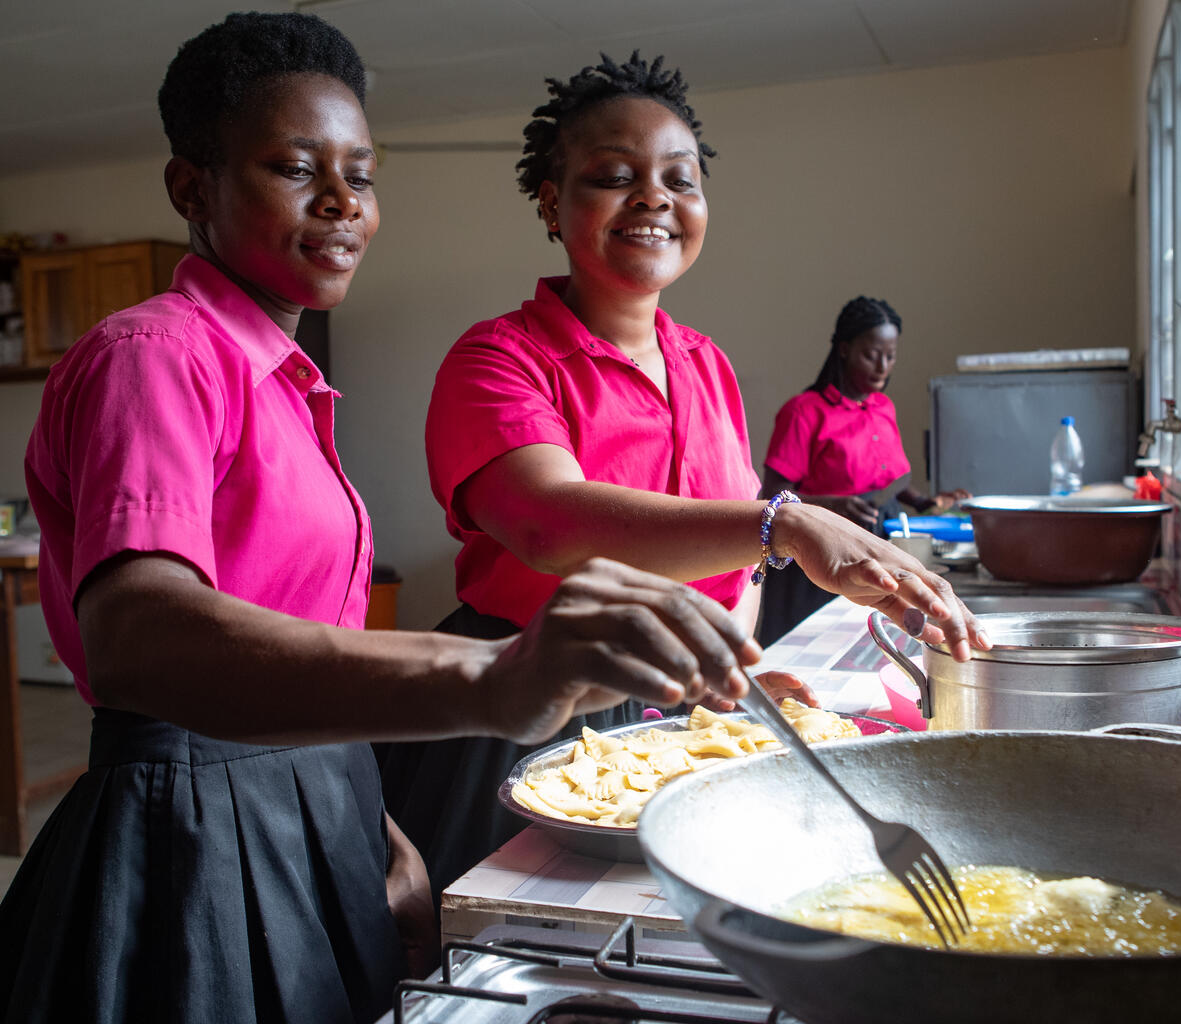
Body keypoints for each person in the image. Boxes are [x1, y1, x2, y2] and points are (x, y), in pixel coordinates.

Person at [0, 16, 767, 1024]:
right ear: (193, 187)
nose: (340, 202)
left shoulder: (287, 384)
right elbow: (139, 632)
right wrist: (493, 678)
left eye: (360, 176)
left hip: (311, 797)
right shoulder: (156, 354)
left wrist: (371, 827)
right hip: (192, 828)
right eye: (293, 167)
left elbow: (305, 648)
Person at [374, 52, 988, 902]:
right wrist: (786, 521)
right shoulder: (498, 358)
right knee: (515, 948)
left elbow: (725, 563)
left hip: (662, 719)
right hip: (517, 713)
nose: (654, 197)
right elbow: (550, 524)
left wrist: (727, 671)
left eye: (679, 178)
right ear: (553, 204)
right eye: (614, 176)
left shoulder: (705, 365)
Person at [757, 296, 973, 645]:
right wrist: (832, 505)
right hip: (818, 549)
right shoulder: (804, 412)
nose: (882, 366)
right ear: (844, 349)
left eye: (891, 356)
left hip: (877, 540)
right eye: (872, 355)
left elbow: (893, 479)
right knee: (812, 643)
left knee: (871, 637)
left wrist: (927, 502)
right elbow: (771, 496)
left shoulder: (882, 407)